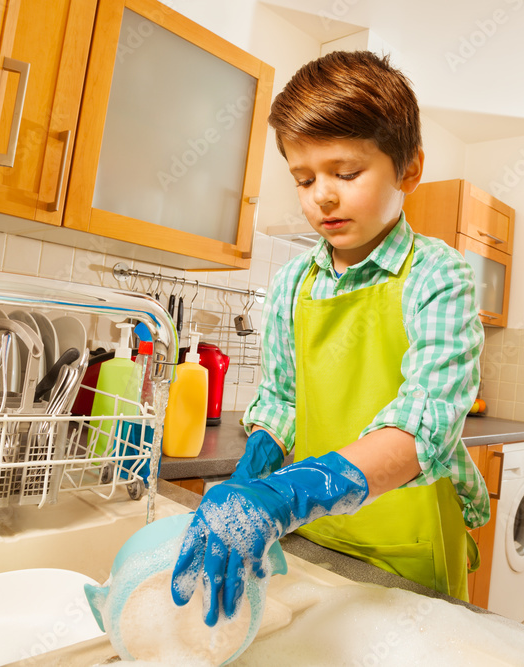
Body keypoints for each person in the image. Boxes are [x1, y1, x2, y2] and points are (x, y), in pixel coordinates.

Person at [170, 50, 487, 627]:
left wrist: (287, 494)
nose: (322, 196)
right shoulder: (294, 282)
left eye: (345, 173)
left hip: (405, 540)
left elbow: (426, 423)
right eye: (304, 177)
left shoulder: (438, 275)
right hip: (313, 533)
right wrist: (257, 467)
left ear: (409, 170)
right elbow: (283, 400)